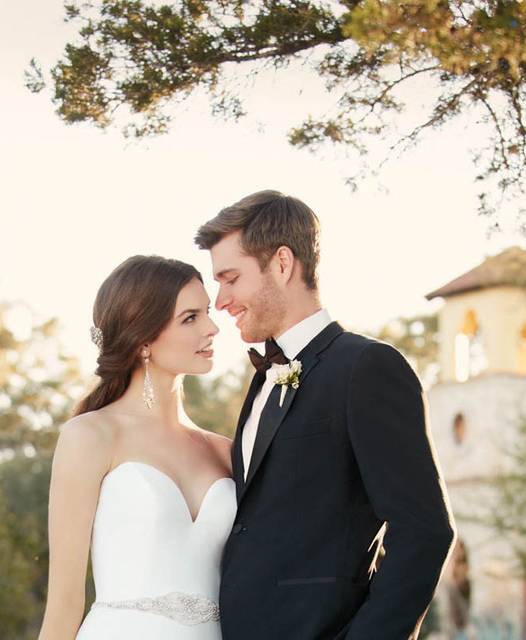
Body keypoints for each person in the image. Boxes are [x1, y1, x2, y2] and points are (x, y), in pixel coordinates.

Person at [195, 190, 456, 639]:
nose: (221, 301)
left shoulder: (367, 367)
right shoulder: (262, 382)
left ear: (282, 263)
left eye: (231, 278)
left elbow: (424, 530)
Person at [38, 255, 235, 640]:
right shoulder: (91, 436)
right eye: (190, 318)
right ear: (143, 338)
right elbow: (64, 602)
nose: (212, 328)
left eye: (207, 312)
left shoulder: (225, 451)